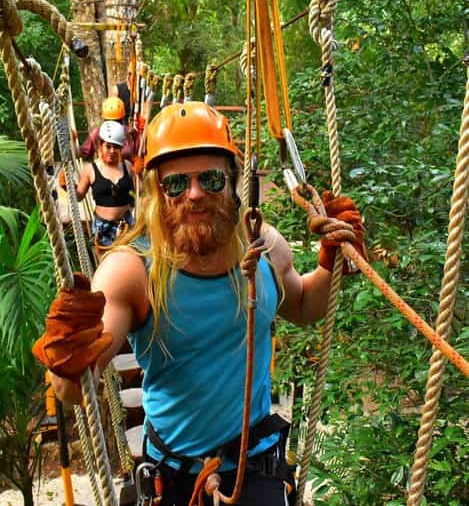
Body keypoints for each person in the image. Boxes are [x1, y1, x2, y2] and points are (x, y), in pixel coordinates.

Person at [35, 102, 367, 505]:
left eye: (210, 179)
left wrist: (330, 262)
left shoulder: (262, 247)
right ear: (157, 192)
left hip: (255, 468)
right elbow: (72, 391)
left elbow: (302, 306)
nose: (194, 194)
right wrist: (67, 352)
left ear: (232, 182)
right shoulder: (130, 271)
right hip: (174, 479)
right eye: (176, 184)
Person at [63, 120, 135, 249]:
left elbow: (136, 195)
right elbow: (79, 196)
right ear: (101, 145)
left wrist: (140, 177)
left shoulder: (127, 167)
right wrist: (68, 187)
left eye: (116, 147)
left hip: (126, 227)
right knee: (108, 266)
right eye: (108, 146)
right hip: (103, 229)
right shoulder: (90, 169)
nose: (112, 151)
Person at [79, 96, 136, 162]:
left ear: (122, 120)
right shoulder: (97, 133)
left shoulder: (130, 133)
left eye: (116, 121)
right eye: (109, 121)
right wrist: (72, 140)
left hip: (125, 170)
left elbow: (140, 153)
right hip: (104, 170)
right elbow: (82, 152)